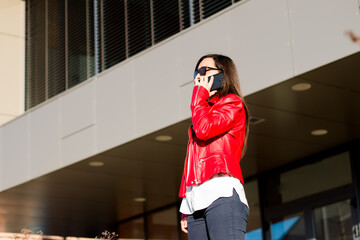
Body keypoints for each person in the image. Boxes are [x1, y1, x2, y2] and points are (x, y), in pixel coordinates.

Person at [179, 54, 250, 240]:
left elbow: (204, 130)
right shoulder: (202, 110)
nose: (199, 77)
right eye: (197, 72)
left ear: (223, 74)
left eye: (205, 71)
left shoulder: (232, 103)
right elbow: (192, 163)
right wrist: (186, 204)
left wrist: (199, 96)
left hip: (222, 194)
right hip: (196, 202)